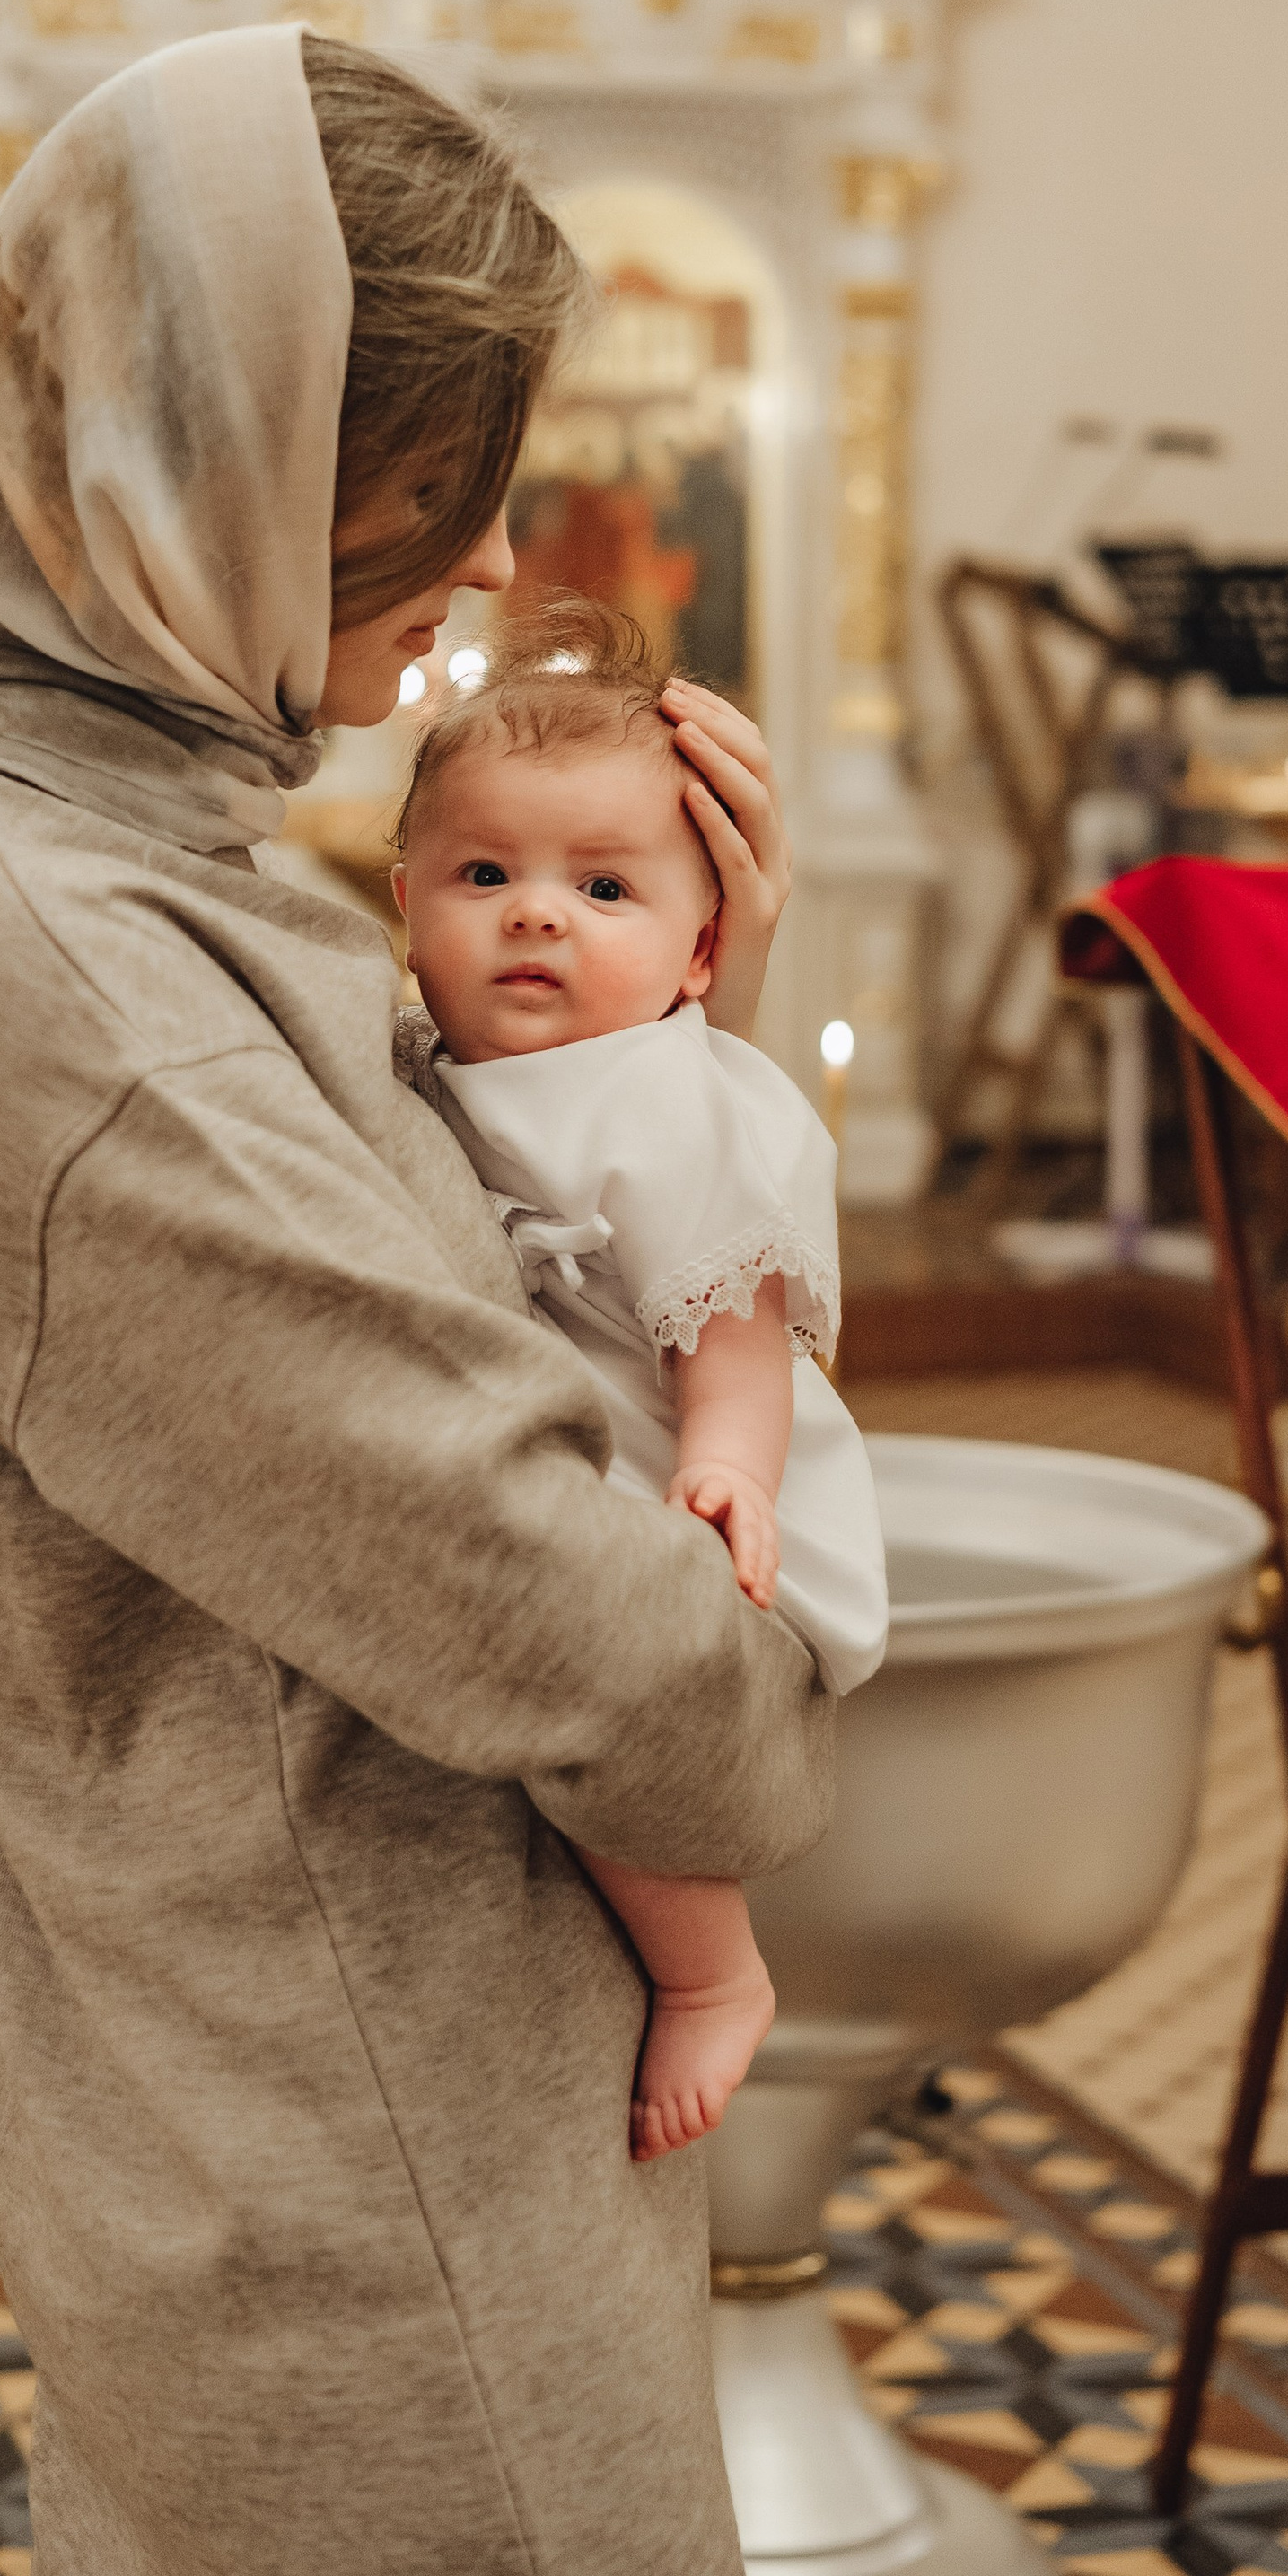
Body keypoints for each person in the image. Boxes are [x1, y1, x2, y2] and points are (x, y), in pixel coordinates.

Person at [0, 23, 833, 2576]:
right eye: (443, 500)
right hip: (381, 2200)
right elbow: (539, 1597)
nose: (500, 560)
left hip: (304, 2129)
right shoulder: (68, 979)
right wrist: (756, 1712)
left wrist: (662, 1065)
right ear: (246, 478)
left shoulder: (83, 832)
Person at [393, 594, 888, 2163]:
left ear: (700, 947)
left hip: (680, 1462)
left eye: (602, 886)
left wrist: (725, 1472)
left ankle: (712, 1971)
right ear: (404, 904)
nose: (536, 915)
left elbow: (734, 1334)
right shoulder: (427, 1060)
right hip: (549, 1446)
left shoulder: (674, 1097)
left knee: (602, 1703)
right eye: (488, 874)